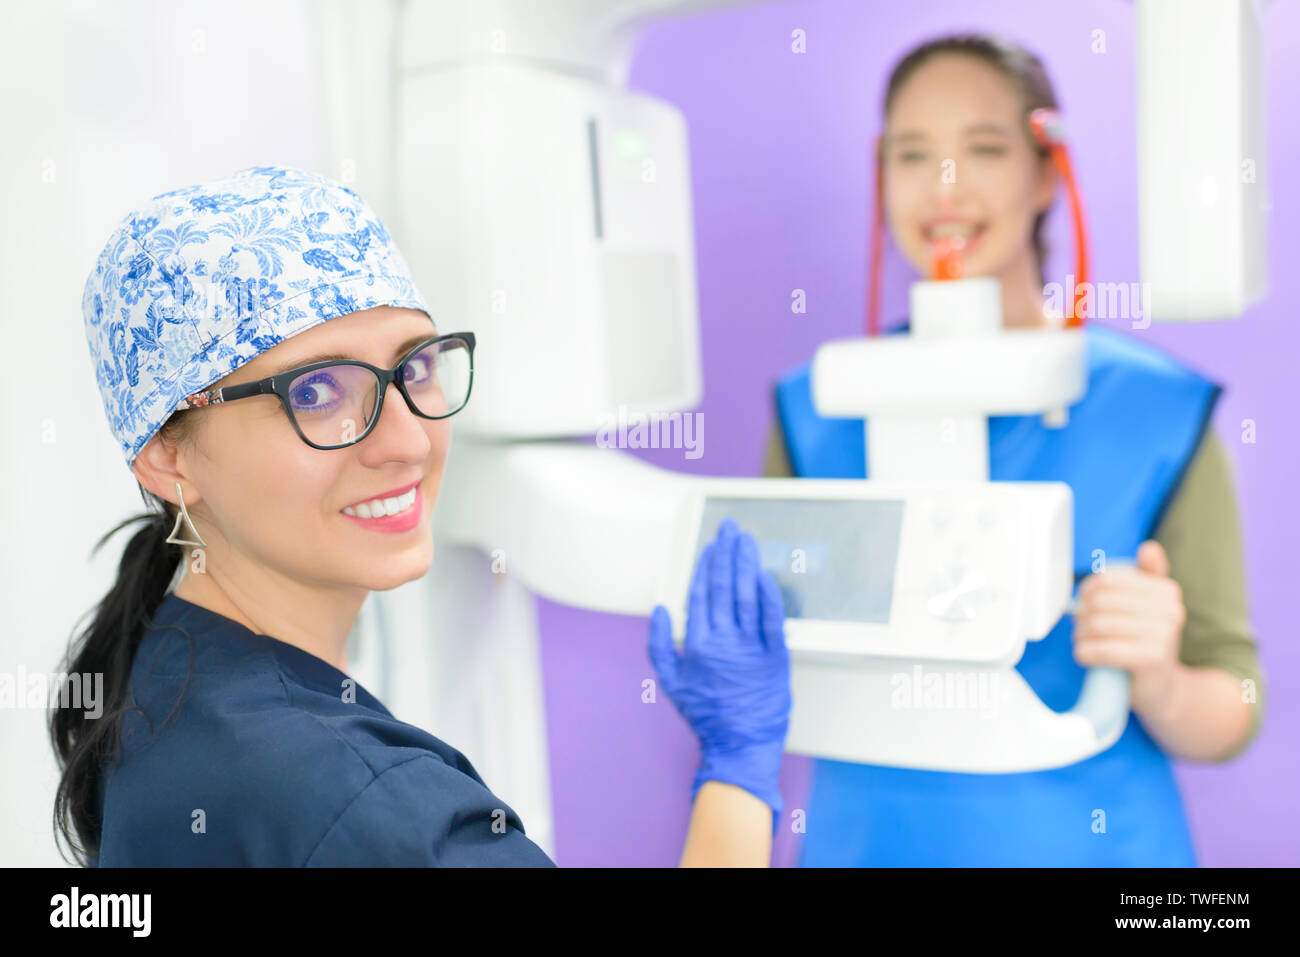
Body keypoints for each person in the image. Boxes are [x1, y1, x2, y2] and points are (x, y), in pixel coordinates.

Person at [51, 164, 791, 867]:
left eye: (413, 368)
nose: (407, 440)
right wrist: (740, 766)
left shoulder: (169, 659)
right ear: (168, 458)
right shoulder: (371, 805)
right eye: (315, 392)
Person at [765, 34, 1265, 866]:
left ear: (1045, 171)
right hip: (867, 843)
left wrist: (1162, 676)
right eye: (912, 154)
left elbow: (1235, 707)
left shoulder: (1157, 412)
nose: (944, 187)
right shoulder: (816, 408)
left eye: (983, 150)